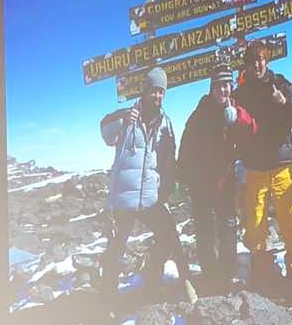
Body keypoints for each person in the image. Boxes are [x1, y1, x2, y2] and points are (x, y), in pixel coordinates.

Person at [98, 66, 189, 305]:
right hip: (123, 199)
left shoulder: (165, 123)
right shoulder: (128, 116)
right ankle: (106, 300)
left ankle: (152, 282)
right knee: (116, 249)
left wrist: (166, 190)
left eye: (161, 91)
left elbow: (169, 159)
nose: (157, 95)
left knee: (168, 237)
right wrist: (121, 119)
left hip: (150, 197)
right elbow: (105, 132)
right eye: (154, 90)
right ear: (145, 90)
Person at [232, 38, 292, 301]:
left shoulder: (280, 84)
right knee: (254, 224)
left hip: (282, 164)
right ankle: (262, 270)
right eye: (252, 60)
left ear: (267, 60)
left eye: (261, 59)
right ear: (246, 65)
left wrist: (283, 101)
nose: (257, 64)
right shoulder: (240, 94)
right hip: (254, 168)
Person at [178, 64, 251, 293]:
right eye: (219, 85)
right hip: (201, 185)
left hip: (225, 183)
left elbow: (253, 128)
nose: (223, 90)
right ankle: (210, 277)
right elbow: (186, 146)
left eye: (227, 85)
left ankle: (227, 276)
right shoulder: (199, 113)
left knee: (228, 230)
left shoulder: (235, 108)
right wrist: (184, 177)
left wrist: (238, 117)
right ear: (212, 88)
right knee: (205, 232)